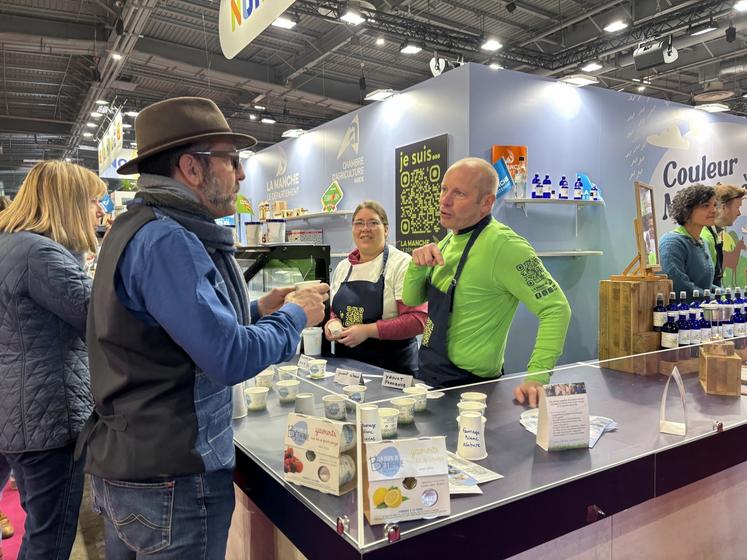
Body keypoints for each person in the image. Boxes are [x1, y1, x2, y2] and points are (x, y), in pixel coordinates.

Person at [79, 97, 328, 559]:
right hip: (173, 478)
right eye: (231, 160)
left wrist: (260, 308)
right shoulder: (169, 240)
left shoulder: (135, 227)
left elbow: (174, 332)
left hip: (131, 465)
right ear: (191, 168)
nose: (241, 174)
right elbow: (228, 357)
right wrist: (296, 316)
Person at [402, 157, 571, 406]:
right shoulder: (447, 242)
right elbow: (411, 299)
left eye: (459, 193)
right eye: (444, 189)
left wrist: (537, 376)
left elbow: (556, 308)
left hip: (473, 388)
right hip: (429, 378)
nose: (444, 200)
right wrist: (416, 266)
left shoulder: (506, 246)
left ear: (486, 202)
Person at [0, 160, 105, 559]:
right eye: (94, 200)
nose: (99, 209)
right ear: (69, 202)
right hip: (45, 419)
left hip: (15, 412)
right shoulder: (40, 254)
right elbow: (101, 318)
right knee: (49, 538)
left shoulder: (11, 244)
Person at [325, 201, 427, 375]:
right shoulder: (343, 267)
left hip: (392, 368)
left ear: (386, 229)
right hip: (348, 367)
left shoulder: (401, 263)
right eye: (359, 223)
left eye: (373, 222)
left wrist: (367, 331)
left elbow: (418, 320)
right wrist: (332, 322)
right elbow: (335, 310)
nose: (365, 229)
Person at [659, 184, 718, 296]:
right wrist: (714, 300)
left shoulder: (702, 242)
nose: (713, 210)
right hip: (683, 312)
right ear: (687, 211)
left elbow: (705, 286)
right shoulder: (671, 243)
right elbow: (679, 285)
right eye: (705, 206)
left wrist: (724, 294)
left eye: (714, 205)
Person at [701, 183, 746, 287]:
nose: (739, 213)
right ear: (724, 207)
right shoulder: (705, 238)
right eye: (737, 207)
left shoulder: (715, 235)